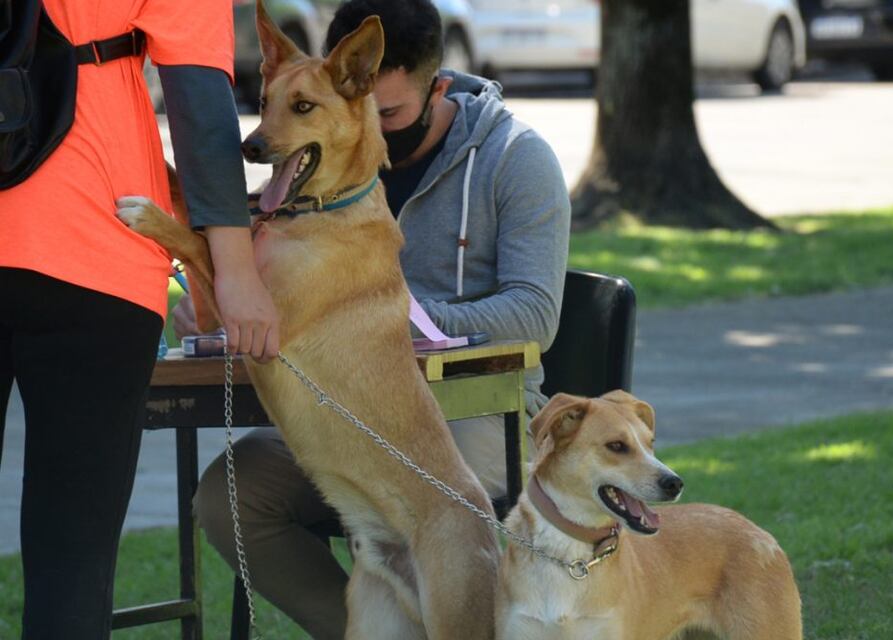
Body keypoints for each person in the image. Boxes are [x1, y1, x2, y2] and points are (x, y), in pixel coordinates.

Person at [189, 0, 570, 637]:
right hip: (353, 410)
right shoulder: (305, 166)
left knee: (447, 515)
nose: (372, 127)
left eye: (388, 112)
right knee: (231, 494)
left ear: (438, 85)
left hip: (478, 412)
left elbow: (535, 313)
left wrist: (405, 318)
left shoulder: (516, 158)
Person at [0, 1, 279, 637]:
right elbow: (199, 100)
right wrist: (232, 273)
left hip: (79, 248)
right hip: (91, 247)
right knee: (70, 562)